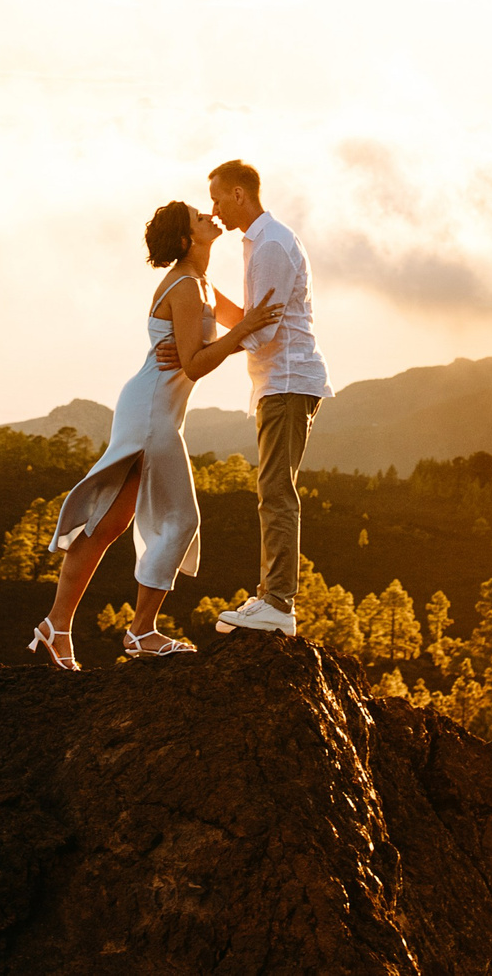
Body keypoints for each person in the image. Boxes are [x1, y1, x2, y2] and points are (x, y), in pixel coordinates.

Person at [30, 200, 282, 670]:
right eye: (198, 217)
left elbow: (244, 323)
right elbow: (197, 363)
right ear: (188, 240)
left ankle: (55, 628)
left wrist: (253, 316)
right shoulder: (186, 288)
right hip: (151, 413)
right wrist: (231, 335)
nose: (210, 215)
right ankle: (141, 632)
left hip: (154, 408)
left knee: (108, 525)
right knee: (182, 520)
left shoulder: (203, 285)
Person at [171, 159, 333, 638]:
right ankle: (272, 598)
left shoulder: (270, 246)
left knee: (276, 492)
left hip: (285, 381)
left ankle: (278, 604)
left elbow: (261, 333)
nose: (214, 209)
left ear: (240, 195)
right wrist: (202, 288)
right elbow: (249, 317)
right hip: (278, 382)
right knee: (273, 489)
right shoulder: (260, 243)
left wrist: (198, 352)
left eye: (218, 198)